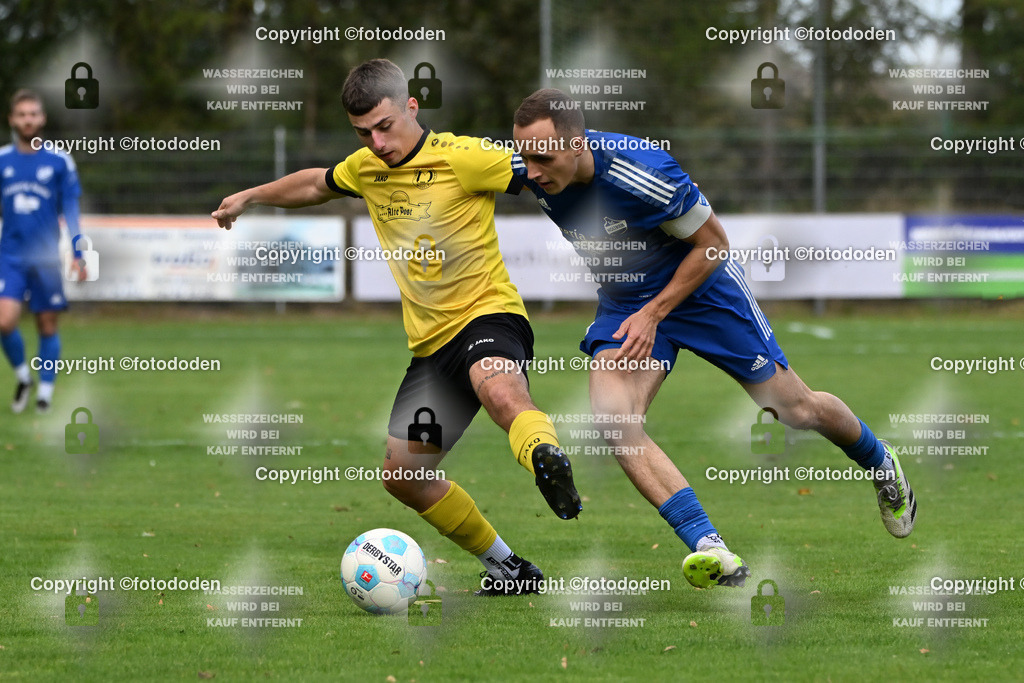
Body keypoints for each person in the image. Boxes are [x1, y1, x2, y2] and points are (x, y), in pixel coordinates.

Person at [510, 88, 917, 589]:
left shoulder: (644, 172)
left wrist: (655, 313)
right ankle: (710, 547)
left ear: (577, 144)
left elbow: (713, 245)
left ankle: (879, 460)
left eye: (542, 158)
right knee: (617, 422)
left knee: (795, 409)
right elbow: (451, 161)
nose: (531, 171)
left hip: (703, 293)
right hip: (626, 305)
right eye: (524, 156)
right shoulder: (525, 165)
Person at [212, 60, 581, 596]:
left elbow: (553, 165)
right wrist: (250, 196)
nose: (377, 142)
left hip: (488, 315)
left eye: (384, 126)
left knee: (498, 387)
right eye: (363, 132)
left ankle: (546, 456)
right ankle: (510, 569)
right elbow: (315, 184)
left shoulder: (464, 156)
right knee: (405, 476)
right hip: (431, 349)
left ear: (411, 106)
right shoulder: (366, 168)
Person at [0, 89, 86, 413]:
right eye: (22, 114)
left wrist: (78, 252)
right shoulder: (2, 160)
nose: (28, 120)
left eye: (33, 114)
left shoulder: (59, 160)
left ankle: (44, 394)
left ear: (42, 118)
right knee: (4, 322)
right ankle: (24, 378)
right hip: (9, 255)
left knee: (47, 325)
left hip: (46, 256)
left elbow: (71, 209)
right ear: (12, 119)